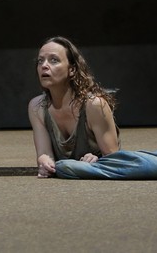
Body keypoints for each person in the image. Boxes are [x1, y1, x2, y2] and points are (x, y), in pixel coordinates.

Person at [27, 36, 120, 178]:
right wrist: (45, 162)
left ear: (71, 70)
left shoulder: (94, 105)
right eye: (40, 61)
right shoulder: (37, 107)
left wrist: (97, 160)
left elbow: (115, 160)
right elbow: (44, 153)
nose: (44, 66)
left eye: (54, 60)